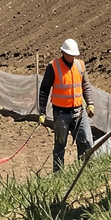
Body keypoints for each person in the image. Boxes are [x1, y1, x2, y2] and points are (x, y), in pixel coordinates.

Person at [38, 38, 95, 172]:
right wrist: (42, 112)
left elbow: (85, 86)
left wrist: (90, 104)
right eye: (69, 54)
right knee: (60, 145)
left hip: (79, 112)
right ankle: (58, 174)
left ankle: (85, 171)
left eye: (74, 55)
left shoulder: (80, 65)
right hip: (61, 114)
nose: (71, 57)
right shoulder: (53, 66)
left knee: (86, 142)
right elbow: (44, 89)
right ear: (62, 52)